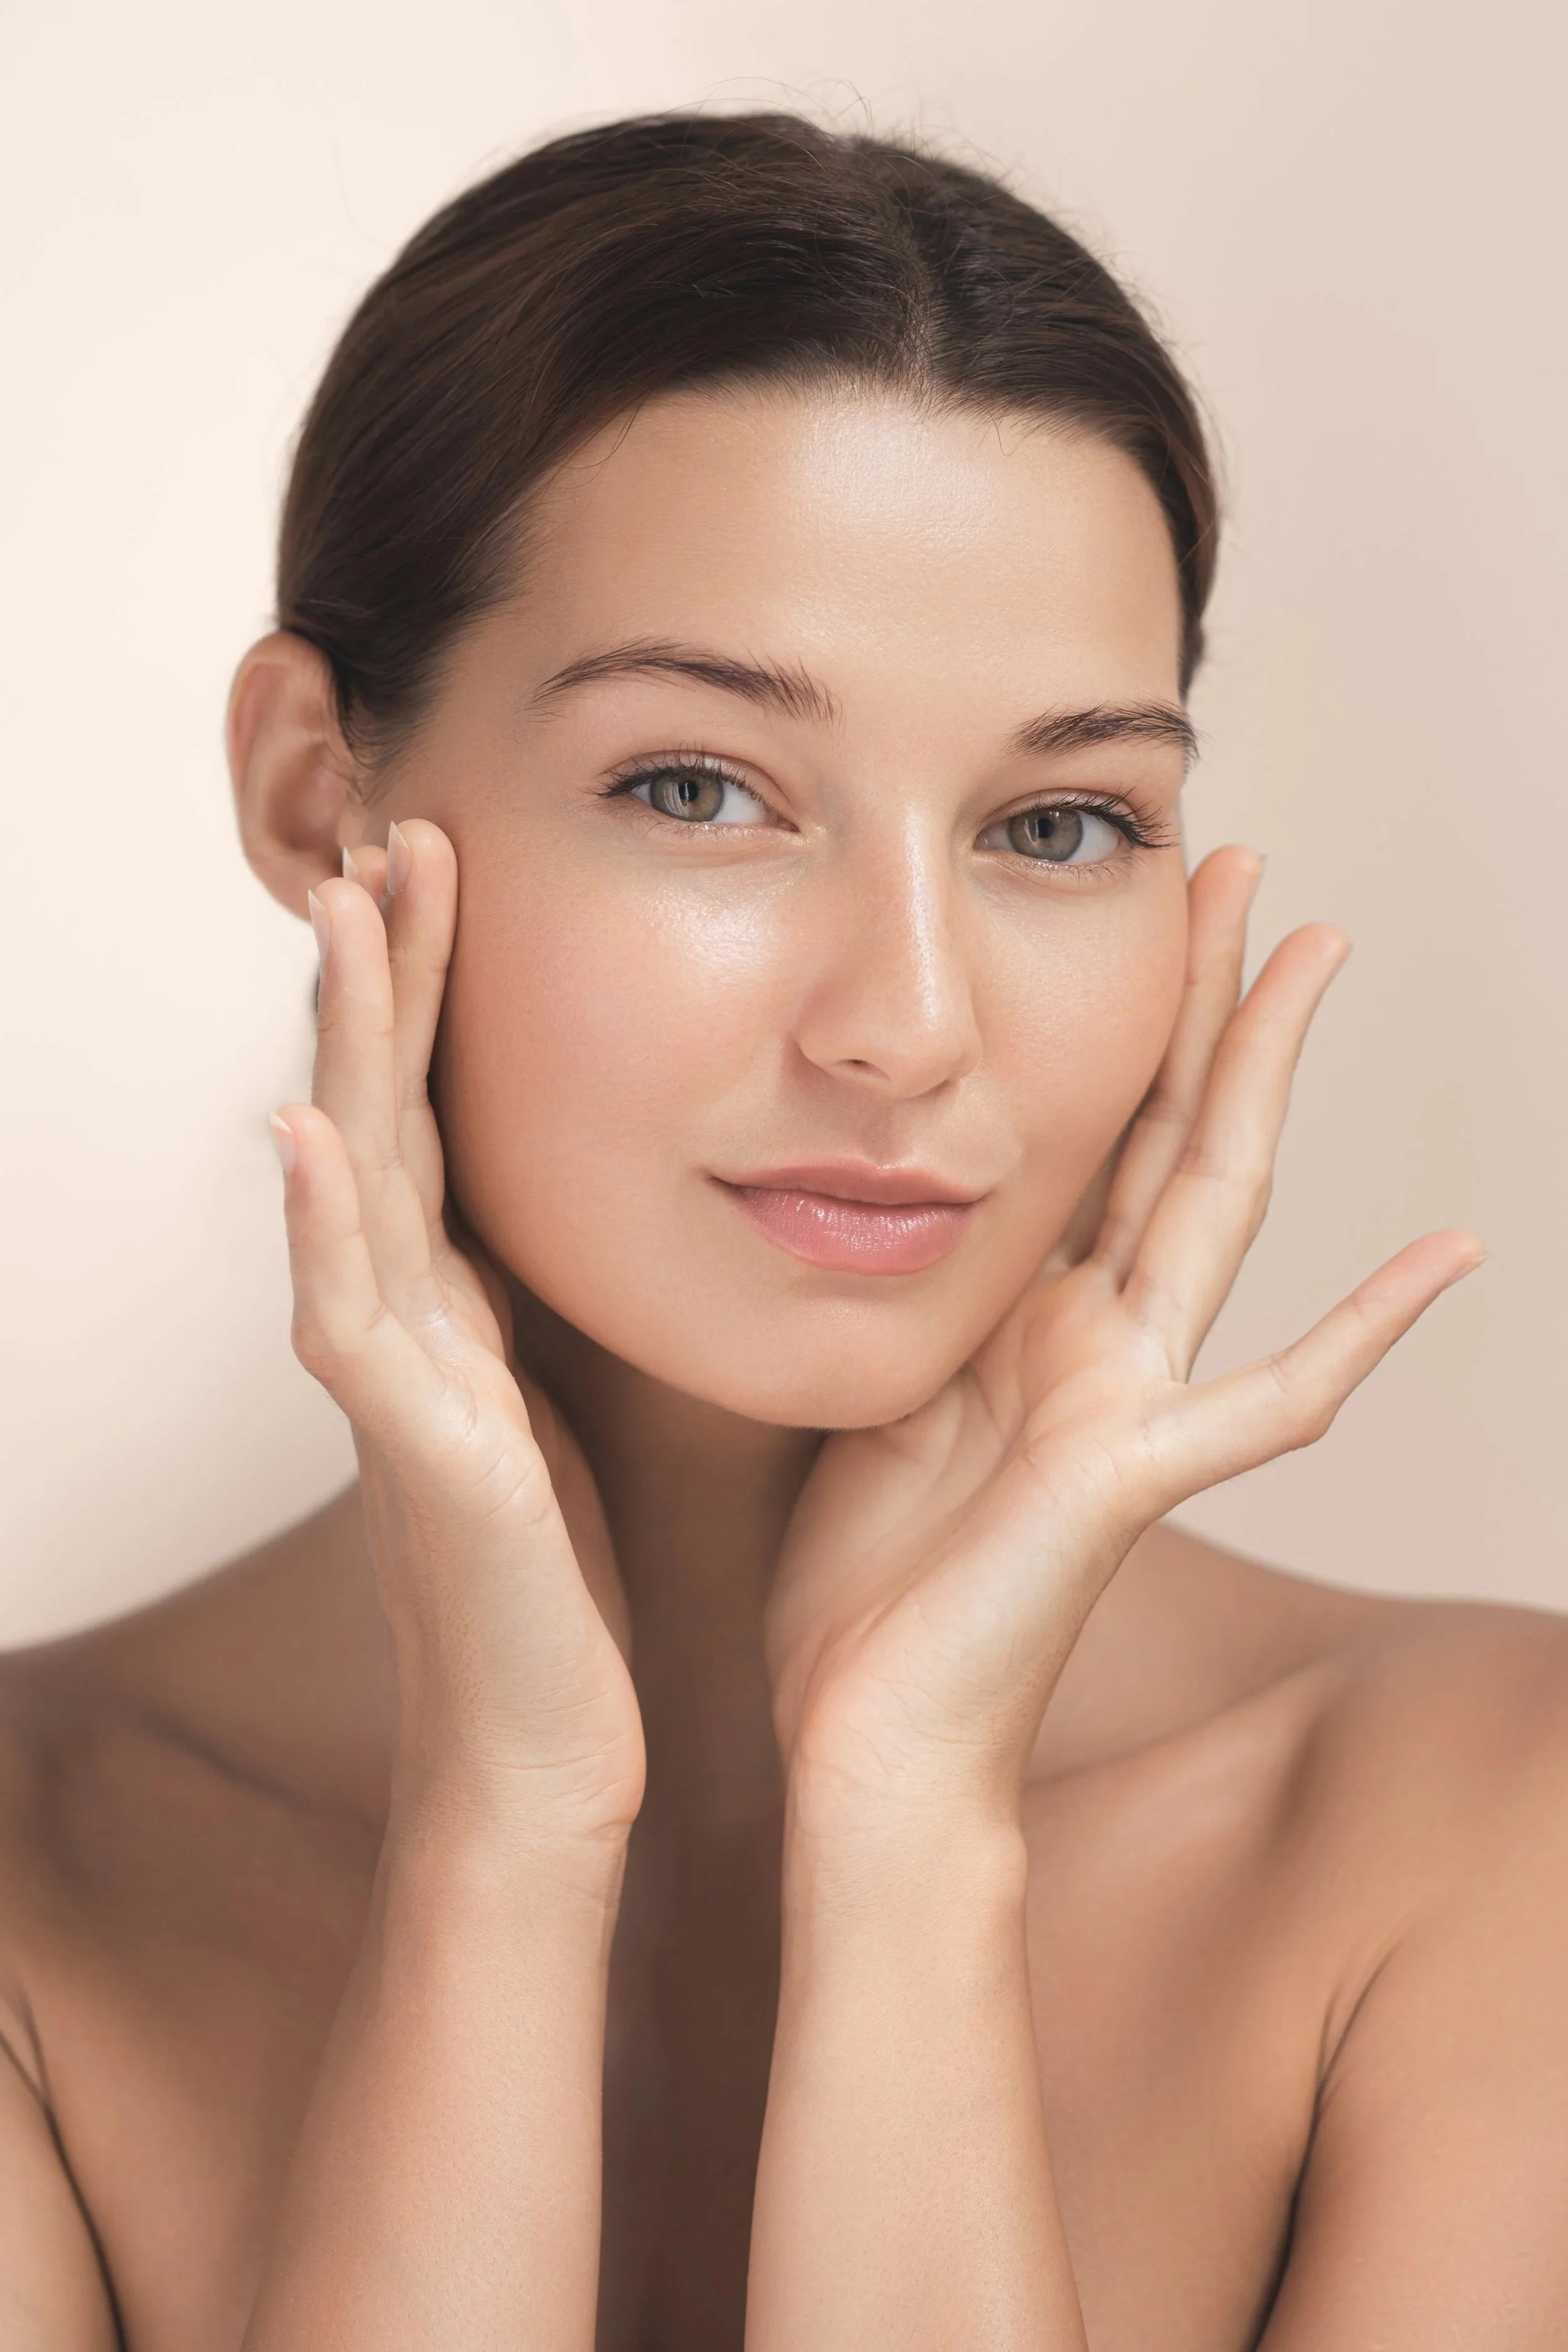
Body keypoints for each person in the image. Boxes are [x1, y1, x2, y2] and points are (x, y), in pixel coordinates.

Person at [1, 107, 1564, 2352]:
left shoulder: (1487, 1832)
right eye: (700, 788)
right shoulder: (39, 1886)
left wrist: (914, 1840)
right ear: (314, 794)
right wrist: (505, 1836)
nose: (908, 1027)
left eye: (1054, 821)